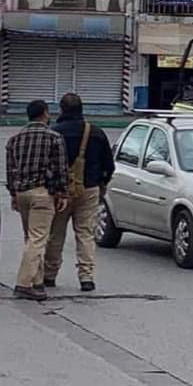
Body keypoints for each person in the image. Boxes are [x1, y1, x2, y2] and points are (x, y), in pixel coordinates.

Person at [43, 93, 115, 292]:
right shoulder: (96, 133)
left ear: (62, 110)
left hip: (60, 192)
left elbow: (46, 164)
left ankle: (49, 275)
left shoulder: (54, 132)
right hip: (89, 188)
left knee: (55, 234)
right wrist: (101, 185)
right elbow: (109, 165)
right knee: (85, 234)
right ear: (82, 109)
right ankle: (86, 277)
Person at [6, 100, 69, 300]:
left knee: (31, 238)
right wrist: (62, 193)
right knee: (38, 238)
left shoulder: (14, 139)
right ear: (45, 114)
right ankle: (24, 284)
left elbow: (11, 171)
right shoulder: (54, 138)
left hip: (22, 192)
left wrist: (13, 195)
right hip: (42, 193)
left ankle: (37, 281)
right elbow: (61, 169)